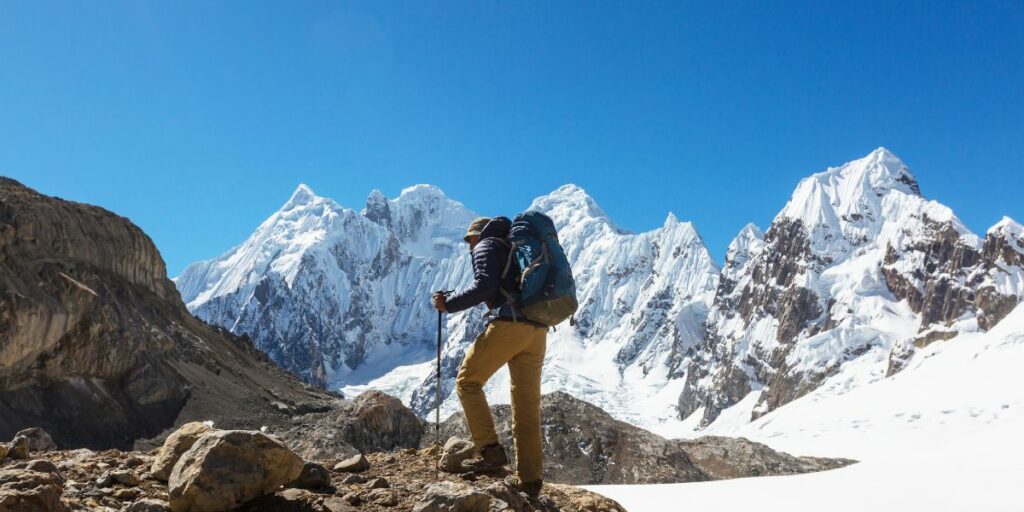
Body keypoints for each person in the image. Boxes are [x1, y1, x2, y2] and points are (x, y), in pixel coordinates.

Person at [433, 216, 547, 499]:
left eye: (469, 240)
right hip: (537, 331)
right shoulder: (516, 249)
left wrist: (448, 304)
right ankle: (530, 480)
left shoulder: (486, 246)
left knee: (467, 381)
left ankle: (490, 452)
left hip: (508, 325)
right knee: (526, 406)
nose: (469, 247)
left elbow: (484, 287)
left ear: (476, 235)